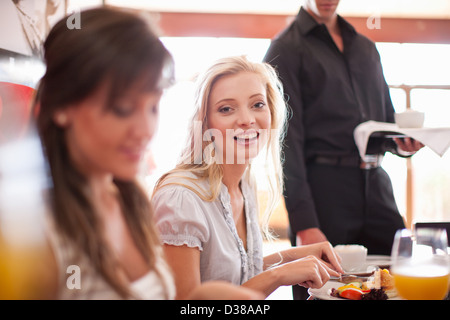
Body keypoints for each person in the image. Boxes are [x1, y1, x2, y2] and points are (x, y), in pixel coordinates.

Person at [33, 7, 262, 300]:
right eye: (123, 108)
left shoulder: (130, 202)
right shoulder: (37, 232)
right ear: (62, 106)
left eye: (153, 107)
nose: (145, 129)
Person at [263, 0, 424, 299]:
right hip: (323, 193)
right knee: (323, 290)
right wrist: (305, 222)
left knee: (400, 283)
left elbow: (385, 123)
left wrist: (403, 143)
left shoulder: (365, 47)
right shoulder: (285, 48)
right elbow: (284, 144)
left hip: (377, 187)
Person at [151, 55, 344, 300]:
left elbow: (231, 276)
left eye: (257, 104)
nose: (246, 120)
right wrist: (278, 275)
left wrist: (292, 256)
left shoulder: (244, 184)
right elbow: (189, 304)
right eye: (226, 109)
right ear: (205, 122)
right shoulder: (181, 198)